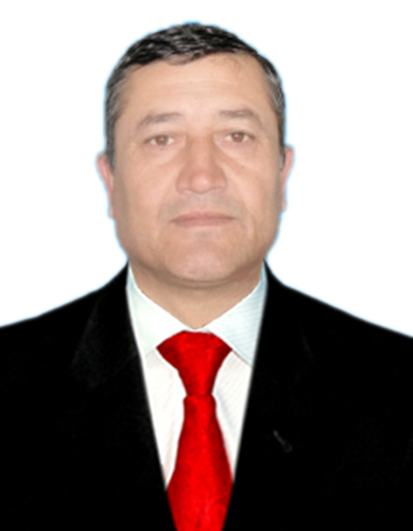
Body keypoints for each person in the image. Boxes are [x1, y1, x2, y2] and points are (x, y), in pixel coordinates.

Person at [1, 23, 412, 531]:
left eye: (236, 136)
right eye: (162, 139)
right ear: (110, 180)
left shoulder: (399, 391)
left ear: (282, 174)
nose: (201, 177)